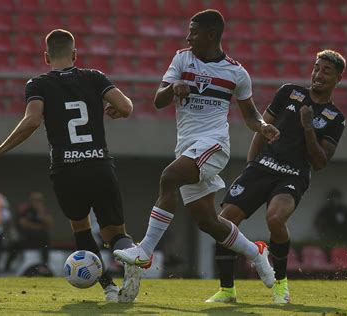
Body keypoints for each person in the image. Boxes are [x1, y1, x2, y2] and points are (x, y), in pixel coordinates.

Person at [113, 9, 280, 300]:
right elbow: (157, 100)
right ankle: (257, 252)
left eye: (194, 31)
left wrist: (263, 127)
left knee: (169, 177)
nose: (188, 36)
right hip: (188, 147)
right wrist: (174, 86)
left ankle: (146, 252)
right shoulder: (182, 58)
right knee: (208, 221)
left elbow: (251, 114)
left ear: (211, 34)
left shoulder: (235, 72)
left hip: (214, 144)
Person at [0, 29, 141, 302]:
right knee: (115, 233)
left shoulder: (38, 84)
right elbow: (126, 107)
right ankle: (131, 263)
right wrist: (118, 111)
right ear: (75, 54)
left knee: (82, 228)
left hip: (66, 169)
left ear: (46, 57)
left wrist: (0, 149)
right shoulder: (94, 76)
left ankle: (109, 290)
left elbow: (31, 121)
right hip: (99, 164)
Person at [210, 50, 347, 304]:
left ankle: (281, 284)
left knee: (275, 218)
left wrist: (308, 127)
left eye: (326, 71)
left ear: (339, 78)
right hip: (261, 166)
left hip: (293, 174)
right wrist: (251, 165)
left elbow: (319, 162)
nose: (318, 74)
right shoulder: (288, 92)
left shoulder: (335, 118)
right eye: (316, 68)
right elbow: (262, 129)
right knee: (225, 220)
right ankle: (227, 290)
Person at [4, 191, 54, 271]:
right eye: (35, 200)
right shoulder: (25, 209)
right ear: (31, 200)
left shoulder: (43, 210)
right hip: (25, 237)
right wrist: (40, 227)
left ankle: (44, 265)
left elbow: (50, 224)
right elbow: (23, 224)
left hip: (39, 238)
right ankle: (7, 266)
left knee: (46, 237)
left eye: (39, 200)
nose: (37, 202)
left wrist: (41, 213)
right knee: (14, 244)